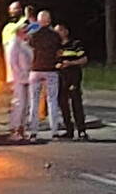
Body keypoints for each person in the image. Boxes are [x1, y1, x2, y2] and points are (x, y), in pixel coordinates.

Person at [27, 10, 63, 141]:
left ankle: (33, 132)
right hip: (51, 70)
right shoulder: (55, 36)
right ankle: (54, 132)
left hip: (35, 70)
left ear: (39, 21)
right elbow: (59, 52)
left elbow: (29, 50)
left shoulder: (33, 36)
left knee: (34, 101)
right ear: (49, 21)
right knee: (52, 101)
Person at [54, 24, 89, 141]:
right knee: (63, 104)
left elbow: (84, 59)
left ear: (65, 31)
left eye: (59, 31)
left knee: (76, 103)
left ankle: (81, 130)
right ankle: (69, 130)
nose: (57, 34)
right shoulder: (55, 47)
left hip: (73, 76)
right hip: (60, 77)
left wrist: (70, 63)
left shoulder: (75, 44)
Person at [7, 26, 33, 141]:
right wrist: (20, 75)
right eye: (25, 32)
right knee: (19, 103)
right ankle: (15, 128)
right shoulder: (14, 45)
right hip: (18, 79)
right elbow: (13, 63)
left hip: (27, 77)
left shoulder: (24, 45)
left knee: (25, 104)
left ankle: (22, 128)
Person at [1, 1, 28, 85]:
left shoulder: (24, 22)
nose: (12, 11)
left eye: (15, 9)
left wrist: (26, 17)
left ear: (20, 10)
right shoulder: (9, 24)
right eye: (11, 9)